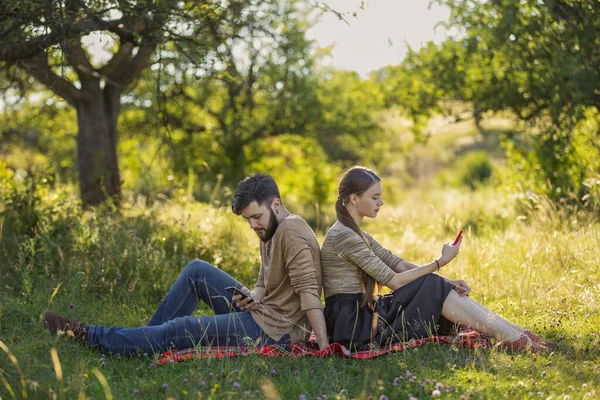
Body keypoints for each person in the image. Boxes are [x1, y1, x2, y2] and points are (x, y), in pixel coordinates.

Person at [42, 173, 329, 355]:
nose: (252, 225)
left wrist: (325, 348)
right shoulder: (270, 228)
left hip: (276, 332)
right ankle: (144, 341)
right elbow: (264, 280)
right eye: (247, 220)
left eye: (256, 217)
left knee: (183, 327)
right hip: (262, 312)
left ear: (275, 205)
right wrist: (253, 296)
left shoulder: (291, 230)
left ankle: (90, 335)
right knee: (196, 271)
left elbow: (309, 296)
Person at [320, 166, 554, 353]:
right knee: (431, 283)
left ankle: (515, 332)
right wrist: (440, 262)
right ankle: (512, 337)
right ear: (353, 199)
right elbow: (394, 280)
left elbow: (397, 263)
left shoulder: (356, 233)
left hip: (359, 314)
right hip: (351, 324)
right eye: (375, 197)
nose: (381, 203)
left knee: (434, 283)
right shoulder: (344, 236)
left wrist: (446, 279)